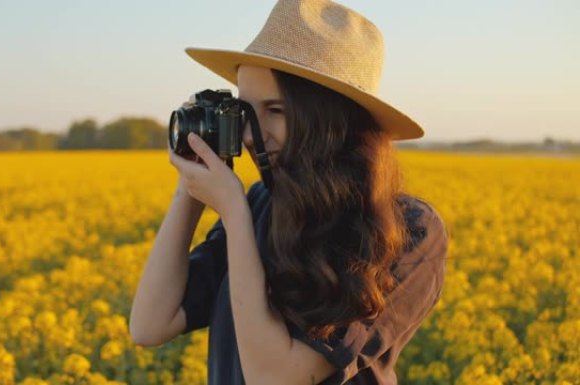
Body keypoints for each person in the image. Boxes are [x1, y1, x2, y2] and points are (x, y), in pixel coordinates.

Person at [129, 1, 449, 384]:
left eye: (276, 110)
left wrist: (233, 213)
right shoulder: (262, 205)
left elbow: (276, 379)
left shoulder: (408, 230)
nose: (250, 135)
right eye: (245, 112)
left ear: (332, 120)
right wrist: (191, 184)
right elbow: (150, 325)